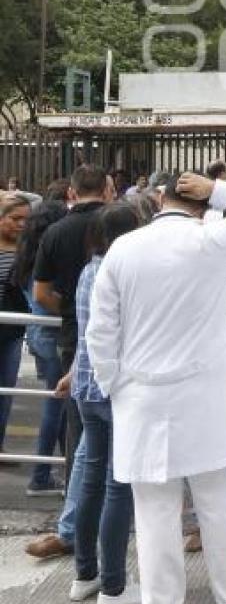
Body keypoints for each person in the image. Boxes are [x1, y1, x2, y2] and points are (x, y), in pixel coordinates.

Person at [85, 173, 226, 604]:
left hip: (142, 398)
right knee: (217, 509)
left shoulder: (124, 249)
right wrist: (219, 190)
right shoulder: (211, 240)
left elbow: (101, 333)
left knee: (154, 515)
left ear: (159, 200)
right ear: (201, 201)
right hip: (205, 399)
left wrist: (118, 387)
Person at [62, 203, 142, 604]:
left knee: (91, 482)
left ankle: (85, 574)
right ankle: (114, 586)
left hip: (85, 389)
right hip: (114, 391)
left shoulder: (88, 270)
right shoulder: (121, 273)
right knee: (116, 487)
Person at [32, 166, 115, 510]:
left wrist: (70, 310)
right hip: (118, 342)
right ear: (109, 191)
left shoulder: (54, 232)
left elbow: (41, 292)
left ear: (71, 193)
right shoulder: (119, 227)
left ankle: (76, 503)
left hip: (73, 338)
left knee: (79, 429)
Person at [15, 200, 68, 494]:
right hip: (51, 333)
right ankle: (40, 475)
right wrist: (70, 309)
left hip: (38, 334)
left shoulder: (27, 252)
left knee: (56, 402)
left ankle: (59, 467)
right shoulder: (47, 256)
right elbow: (45, 298)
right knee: (55, 404)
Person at [0, 194, 31, 454]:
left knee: (6, 391)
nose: (21, 224)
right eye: (15, 219)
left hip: (13, 331)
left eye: (26, 220)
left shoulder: (28, 250)